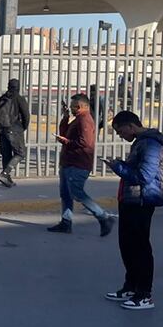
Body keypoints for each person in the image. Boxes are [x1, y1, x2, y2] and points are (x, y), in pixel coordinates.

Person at [103, 112, 163, 310]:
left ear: (131, 126)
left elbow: (144, 176)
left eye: (120, 131)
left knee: (139, 247)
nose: (119, 135)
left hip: (142, 200)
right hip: (130, 199)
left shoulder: (150, 144)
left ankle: (144, 294)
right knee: (127, 245)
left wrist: (118, 167)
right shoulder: (141, 142)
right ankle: (131, 286)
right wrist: (121, 165)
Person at [48, 94, 115, 236]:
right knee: (66, 194)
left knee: (77, 193)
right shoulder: (77, 119)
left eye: (73, 106)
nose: (71, 109)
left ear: (80, 107)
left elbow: (85, 143)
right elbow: (65, 133)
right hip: (68, 162)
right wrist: (65, 118)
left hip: (78, 164)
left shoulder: (85, 120)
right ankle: (66, 223)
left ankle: (103, 217)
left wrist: (66, 141)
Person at [0, 79, 30, 187]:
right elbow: (26, 115)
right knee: (21, 153)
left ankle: (7, 179)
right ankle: (5, 174)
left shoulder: (2, 98)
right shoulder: (19, 99)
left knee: (6, 154)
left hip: (1, 130)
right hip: (14, 129)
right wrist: (23, 127)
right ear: (18, 87)